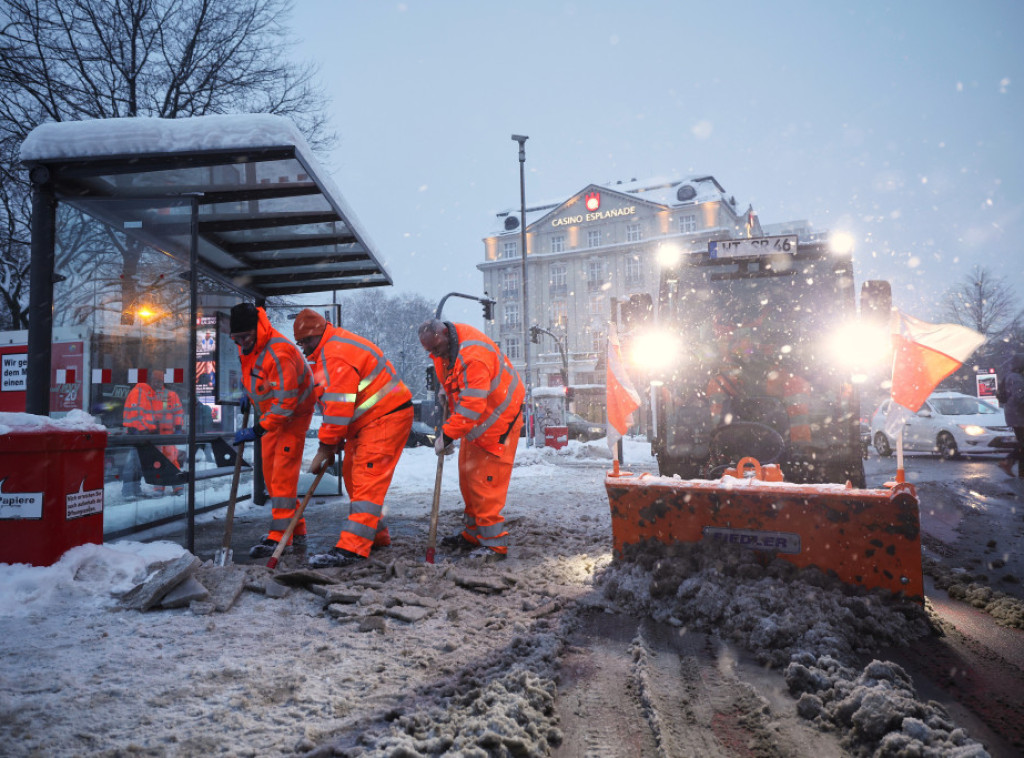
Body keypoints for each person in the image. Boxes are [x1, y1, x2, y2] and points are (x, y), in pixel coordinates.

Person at [291, 309, 415, 568]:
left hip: (385, 418)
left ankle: (352, 548)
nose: (302, 348)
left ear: (318, 334)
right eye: (299, 343)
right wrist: (333, 441)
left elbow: (338, 407)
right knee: (353, 477)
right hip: (369, 421)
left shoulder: (335, 355)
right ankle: (375, 536)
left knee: (366, 479)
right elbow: (338, 406)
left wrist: (325, 447)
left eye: (305, 342)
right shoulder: (329, 350)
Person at [418, 318, 525, 561]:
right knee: (469, 480)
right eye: (430, 351)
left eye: (436, 348)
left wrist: (446, 434)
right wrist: (446, 389)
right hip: (477, 425)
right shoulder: (447, 348)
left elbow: (472, 406)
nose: (434, 354)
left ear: (445, 334)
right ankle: (474, 534)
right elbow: (456, 382)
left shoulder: (473, 356)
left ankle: (494, 545)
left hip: (497, 424)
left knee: (485, 485)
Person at [229, 303, 316, 558]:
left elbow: (287, 402)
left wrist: (257, 430)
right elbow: (256, 376)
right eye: (236, 338)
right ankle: (296, 528)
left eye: (245, 337)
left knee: (282, 475)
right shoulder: (248, 348)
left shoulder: (279, 352)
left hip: (293, 416)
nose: (242, 342)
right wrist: (249, 394)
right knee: (270, 473)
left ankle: (280, 537)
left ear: (256, 330)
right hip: (272, 415)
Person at [121, 366, 185, 497]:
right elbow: (142, 415)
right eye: (155, 380)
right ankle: (158, 487)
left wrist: (178, 428)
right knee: (152, 461)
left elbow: (176, 413)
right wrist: (145, 430)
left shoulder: (165, 395)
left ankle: (175, 486)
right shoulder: (145, 393)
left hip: (162, 435)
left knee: (169, 460)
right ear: (150, 380)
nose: (157, 383)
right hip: (150, 435)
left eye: (159, 381)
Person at [997, 353, 1024, 478]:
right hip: (1019, 416)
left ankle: (1020, 470)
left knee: (1022, 444)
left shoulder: (1011, 376)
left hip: (1015, 415)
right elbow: (1020, 397)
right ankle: (1008, 462)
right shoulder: (1016, 378)